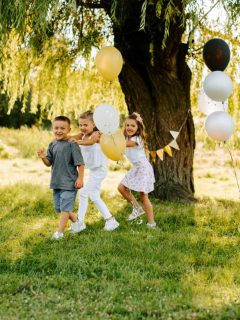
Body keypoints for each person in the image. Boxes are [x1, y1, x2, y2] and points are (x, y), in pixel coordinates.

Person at [70, 110, 119, 233]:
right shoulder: (82, 135)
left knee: (84, 193)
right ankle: (110, 220)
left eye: (85, 125)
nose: (82, 127)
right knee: (94, 195)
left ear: (94, 125)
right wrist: (60, 138)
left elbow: (91, 142)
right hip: (93, 170)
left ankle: (79, 222)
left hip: (100, 170)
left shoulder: (97, 134)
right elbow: (70, 138)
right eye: (80, 125)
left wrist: (78, 142)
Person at [37, 116, 85, 240]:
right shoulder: (52, 144)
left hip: (70, 182)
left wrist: (80, 178)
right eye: (56, 128)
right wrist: (43, 157)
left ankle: (59, 233)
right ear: (52, 128)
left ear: (69, 129)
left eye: (62, 128)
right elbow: (49, 163)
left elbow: (80, 163)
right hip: (56, 182)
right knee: (59, 208)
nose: (59, 131)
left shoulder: (72, 144)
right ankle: (78, 223)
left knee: (65, 208)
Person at [118, 112, 156, 228]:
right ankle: (137, 208)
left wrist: (114, 142)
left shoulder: (137, 139)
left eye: (133, 126)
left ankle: (151, 223)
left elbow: (123, 144)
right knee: (121, 187)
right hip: (136, 168)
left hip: (143, 168)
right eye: (127, 125)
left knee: (143, 196)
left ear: (138, 128)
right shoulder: (125, 138)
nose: (129, 128)